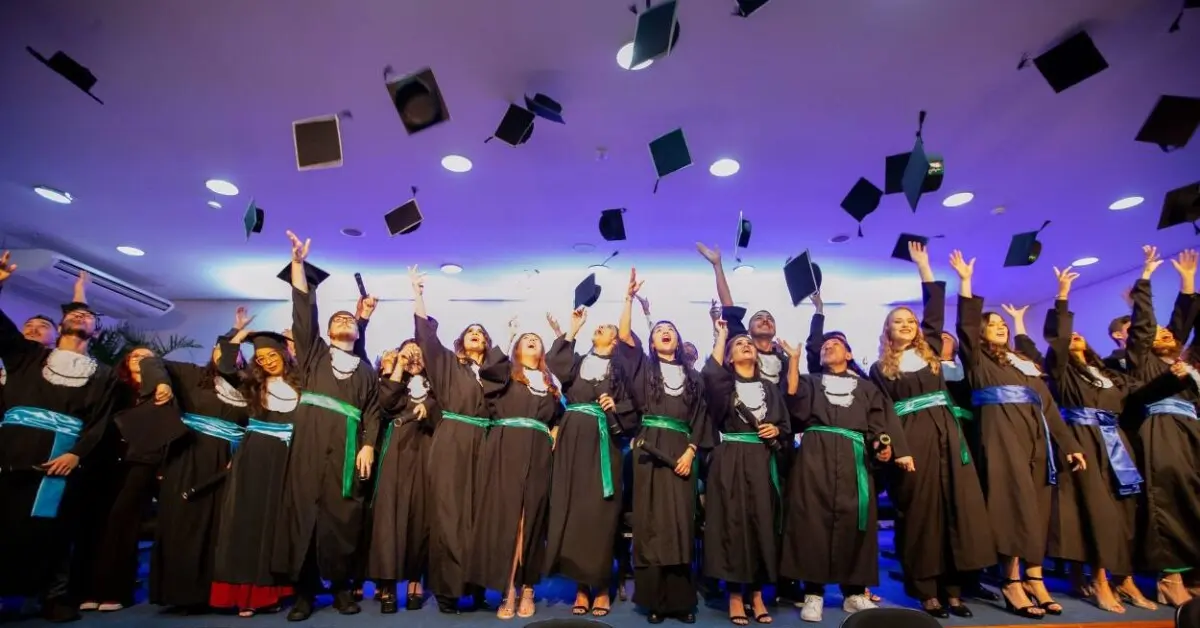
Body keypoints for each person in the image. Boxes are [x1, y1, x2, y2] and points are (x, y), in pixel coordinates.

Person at [949, 248, 1088, 619]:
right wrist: (965, 283)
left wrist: (1069, 444)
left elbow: (1047, 405)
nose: (1000, 327)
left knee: (1039, 505)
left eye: (1002, 324)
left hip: (1036, 437)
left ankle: (1035, 577)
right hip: (1000, 435)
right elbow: (965, 327)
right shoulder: (977, 360)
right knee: (1011, 504)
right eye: (992, 323)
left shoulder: (1024, 362)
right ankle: (1010, 580)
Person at [1041, 263, 1182, 612]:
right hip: (1084, 441)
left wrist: (1174, 378)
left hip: (1116, 442)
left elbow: (1138, 394)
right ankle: (1100, 581)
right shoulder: (1062, 373)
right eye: (1071, 335)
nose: (1075, 336)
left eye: (1079, 334)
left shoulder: (1106, 374)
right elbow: (1058, 340)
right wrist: (1062, 297)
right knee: (1099, 513)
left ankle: (1125, 579)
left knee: (1126, 511)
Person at [869, 241, 993, 619]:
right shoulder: (880, 368)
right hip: (912, 440)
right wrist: (900, 449)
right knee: (921, 514)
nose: (907, 325)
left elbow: (935, 313)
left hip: (948, 436)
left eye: (910, 320)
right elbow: (884, 413)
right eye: (898, 322)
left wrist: (925, 268)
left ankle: (953, 590)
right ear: (887, 331)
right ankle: (926, 591)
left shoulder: (930, 352)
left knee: (957, 509)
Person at [271, 231, 382, 621]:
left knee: (343, 517)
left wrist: (368, 445)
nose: (344, 321)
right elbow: (304, 314)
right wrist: (298, 265)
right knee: (303, 514)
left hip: (347, 449)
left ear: (358, 331)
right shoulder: (314, 355)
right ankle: (303, 594)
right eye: (338, 319)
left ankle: (341, 589)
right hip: (310, 445)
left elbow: (372, 412)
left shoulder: (366, 371)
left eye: (350, 319)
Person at [0, 253, 116, 623]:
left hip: (62, 458)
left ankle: (53, 597)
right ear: (62, 322)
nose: (80, 317)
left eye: (88, 317)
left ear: (96, 332)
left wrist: (77, 454)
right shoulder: (28, 357)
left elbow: (100, 420)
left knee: (56, 529)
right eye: (74, 314)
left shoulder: (103, 373)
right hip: (13, 453)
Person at [783, 310, 913, 623]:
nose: (828, 347)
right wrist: (794, 361)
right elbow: (793, 405)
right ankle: (813, 593)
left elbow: (879, 425)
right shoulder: (811, 382)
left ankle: (854, 593)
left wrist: (882, 448)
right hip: (815, 455)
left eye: (836, 344)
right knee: (812, 522)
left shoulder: (867, 388)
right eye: (825, 346)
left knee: (857, 522)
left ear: (849, 354)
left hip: (855, 457)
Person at [616, 268, 710, 624]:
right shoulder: (643, 368)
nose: (664, 332)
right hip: (649, 451)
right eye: (658, 331)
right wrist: (628, 298)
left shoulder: (694, 377)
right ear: (652, 343)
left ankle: (681, 601)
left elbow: (701, 416)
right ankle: (654, 600)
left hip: (683, 451)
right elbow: (624, 337)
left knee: (681, 523)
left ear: (679, 340)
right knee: (652, 524)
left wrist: (691, 451)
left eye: (670, 329)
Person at [408, 265, 503, 614]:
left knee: (480, 515)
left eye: (481, 332)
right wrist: (418, 295)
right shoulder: (448, 365)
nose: (476, 334)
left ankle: (476, 588)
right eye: (470, 331)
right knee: (448, 515)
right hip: (452, 441)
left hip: (486, 443)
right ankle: (448, 591)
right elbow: (427, 339)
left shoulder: (495, 376)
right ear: (462, 342)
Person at [150, 307, 253, 612]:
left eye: (234, 351)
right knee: (184, 521)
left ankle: (217, 593)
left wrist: (243, 455)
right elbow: (151, 360)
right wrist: (162, 384)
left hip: (230, 461)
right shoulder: (191, 376)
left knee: (222, 526)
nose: (227, 355)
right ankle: (182, 594)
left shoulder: (248, 389)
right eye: (221, 350)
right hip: (191, 456)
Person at [543, 308, 639, 618]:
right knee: (575, 512)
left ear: (615, 339)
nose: (600, 327)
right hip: (572, 440)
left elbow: (636, 404)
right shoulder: (579, 361)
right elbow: (555, 362)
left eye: (607, 326)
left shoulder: (621, 370)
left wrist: (616, 406)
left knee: (601, 513)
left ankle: (601, 586)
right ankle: (581, 588)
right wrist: (573, 328)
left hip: (603, 443)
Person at [467, 319, 565, 620]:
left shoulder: (550, 384)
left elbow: (558, 416)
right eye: (526, 338)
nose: (532, 339)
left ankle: (528, 588)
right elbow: (488, 372)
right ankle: (508, 589)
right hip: (506, 448)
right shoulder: (506, 375)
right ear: (517, 348)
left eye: (537, 338)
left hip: (539, 453)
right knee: (509, 519)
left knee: (532, 518)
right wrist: (508, 334)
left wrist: (555, 429)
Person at [1124, 246, 1200, 607]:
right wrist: (1146, 278)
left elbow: (1182, 324)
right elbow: (1143, 326)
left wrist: (1187, 282)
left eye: (1170, 332)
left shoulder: (1184, 363)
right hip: (1162, 430)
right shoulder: (1143, 361)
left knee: (1195, 499)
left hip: (1191, 430)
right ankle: (1170, 578)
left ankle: (1195, 572)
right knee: (1169, 498)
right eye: (1159, 332)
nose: (1166, 333)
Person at [702, 317, 790, 625]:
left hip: (762, 460)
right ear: (729, 358)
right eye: (738, 344)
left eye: (748, 343)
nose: (745, 346)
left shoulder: (769, 388)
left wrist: (775, 430)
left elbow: (784, 424)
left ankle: (757, 594)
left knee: (761, 524)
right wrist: (721, 335)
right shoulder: (724, 387)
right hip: (730, 458)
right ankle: (735, 596)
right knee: (733, 523)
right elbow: (710, 375)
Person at [76, 347, 177, 611]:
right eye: (135, 356)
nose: (139, 360)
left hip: (142, 462)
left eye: (146, 357)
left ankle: (116, 592)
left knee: (123, 522)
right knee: (96, 522)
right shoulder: (116, 389)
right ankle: (87, 591)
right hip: (107, 461)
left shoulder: (165, 393)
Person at [210, 329, 298, 617]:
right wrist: (239, 335)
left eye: (272, 355)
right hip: (255, 456)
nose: (268, 361)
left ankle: (274, 591)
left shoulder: (302, 384)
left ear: (284, 354)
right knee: (248, 521)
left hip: (288, 457)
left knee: (278, 522)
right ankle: (245, 594)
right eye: (261, 358)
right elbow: (225, 366)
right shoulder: (252, 385)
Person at [368, 340, 439, 613]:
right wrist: (399, 364)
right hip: (397, 450)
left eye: (418, 352)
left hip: (428, 450)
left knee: (421, 517)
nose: (413, 357)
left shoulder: (436, 385)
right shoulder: (396, 382)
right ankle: (386, 583)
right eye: (408, 352)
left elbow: (445, 408)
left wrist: (429, 406)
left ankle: (415, 581)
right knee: (389, 517)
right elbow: (386, 403)